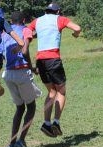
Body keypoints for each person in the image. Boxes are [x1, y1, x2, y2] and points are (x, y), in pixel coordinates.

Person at [28, 2, 81, 137]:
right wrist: (76, 34)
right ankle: (56, 122)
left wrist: (34, 36)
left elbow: (28, 32)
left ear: (46, 11)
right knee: (61, 91)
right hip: (53, 58)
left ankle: (46, 123)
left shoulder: (37, 21)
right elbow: (77, 27)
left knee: (51, 92)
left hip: (40, 60)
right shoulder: (60, 19)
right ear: (58, 12)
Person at [2, 11, 42, 147]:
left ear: (11, 22)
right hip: (21, 72)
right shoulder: (26, 30)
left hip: (8, 73)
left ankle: (12, 144)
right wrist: (31, 67)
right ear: (24, 20)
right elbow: (24, 51)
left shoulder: (5, 33)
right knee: (31, 107)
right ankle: (21, 141)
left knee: (19, 108)